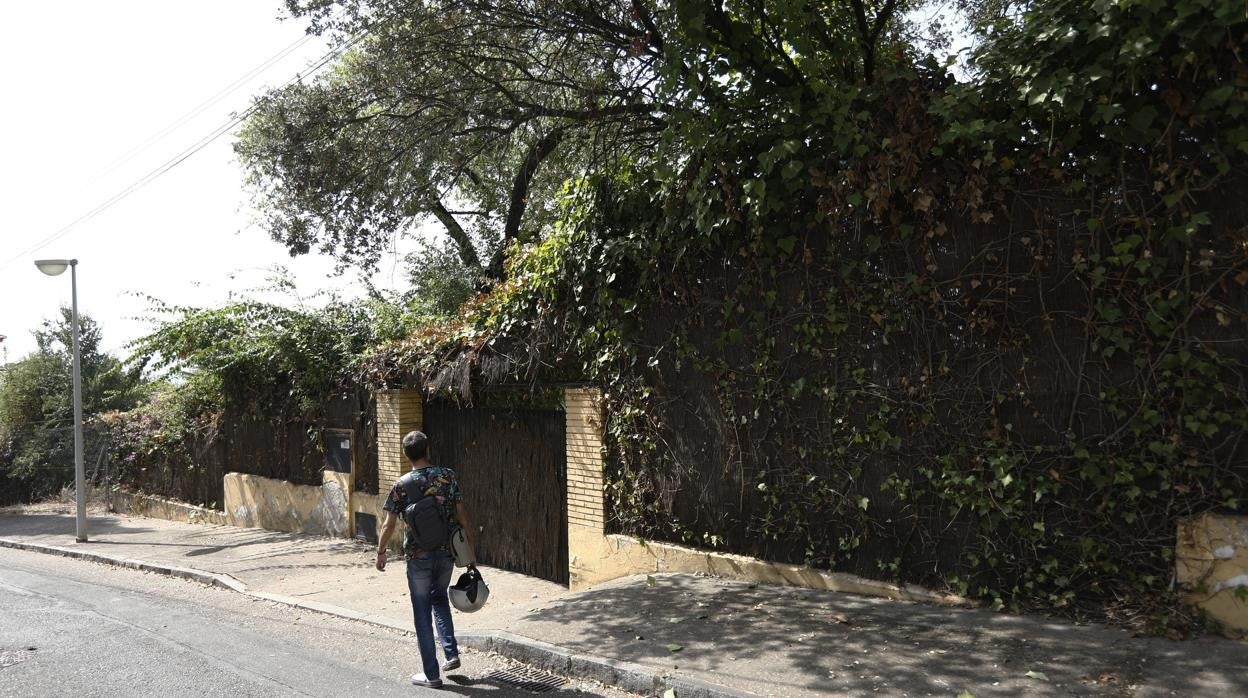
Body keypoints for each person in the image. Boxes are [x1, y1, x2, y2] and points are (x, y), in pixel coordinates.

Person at [375, 430, 476, 689]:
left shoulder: (401, 486)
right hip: (445, 552)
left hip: (417, 556)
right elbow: (462, 516)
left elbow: (388, 525)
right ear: (427, 449)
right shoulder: (448, 476)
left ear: (405, 455)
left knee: (422, 611)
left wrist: (381, 552)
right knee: (439, 597)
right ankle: (451, 653)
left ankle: (431, 675)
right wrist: (470, 551)